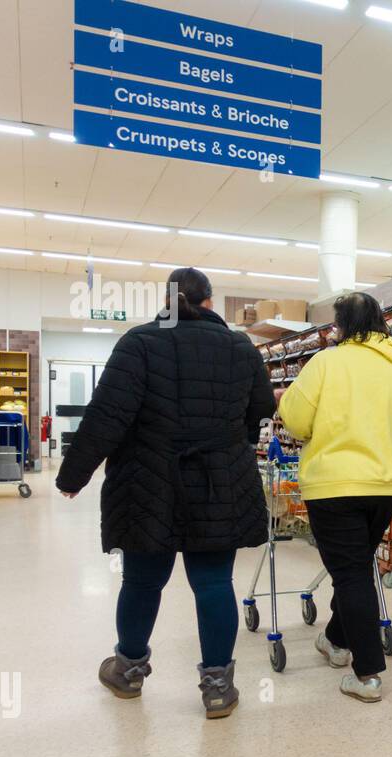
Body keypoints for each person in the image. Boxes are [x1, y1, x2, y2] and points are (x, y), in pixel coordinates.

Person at [56, 267, 276, 719]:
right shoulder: (240, 347)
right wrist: (234, 442)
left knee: (141, 580)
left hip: (147, 481)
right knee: (214, 583)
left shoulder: (139, 343)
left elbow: (107, 415)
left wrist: (72, 476)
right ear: (210, 302)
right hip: (218, 483)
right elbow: (262, 408)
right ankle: (217, 687)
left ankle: (129, 672)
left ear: (167, 300)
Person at [278, 291, 392, 702]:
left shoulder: (326, 363)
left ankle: (367, 674)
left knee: (350, 573)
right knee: (355, 568)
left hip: (333, 486)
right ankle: (336, 639)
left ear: (342, 325)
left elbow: (294, 419)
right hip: (385, 486)